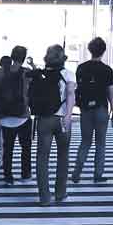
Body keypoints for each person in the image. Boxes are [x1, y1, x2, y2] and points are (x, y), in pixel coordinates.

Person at [31, 44, 75, 205]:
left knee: (42, 158)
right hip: (63, 119)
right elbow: (70, 94)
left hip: (44, 119)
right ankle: (60, 193)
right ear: (63, 58)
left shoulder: (40, 75)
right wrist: (68, 115)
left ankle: (44, 197)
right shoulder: (69, 75)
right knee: (63, 156)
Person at [73, 37, 113, 184]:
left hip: (85, 109)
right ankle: (98, 174)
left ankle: (77, 173)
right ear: (103, 51)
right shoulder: (106, 70)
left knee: (85, 141)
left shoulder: (81, 68)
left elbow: (76, 89)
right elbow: (111, 93)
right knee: (100, 143)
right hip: (101, 109)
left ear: (90, 50)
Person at [0, 46, 34, 185]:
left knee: (8, 148)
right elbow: (39, 80)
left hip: (5, 117)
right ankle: (25, 175)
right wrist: (32, 65)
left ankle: (8, 177)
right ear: (23, 57)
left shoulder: (1, 72)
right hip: (23, 116)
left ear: (12, 56)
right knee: (25, 147)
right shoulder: (26, 73)